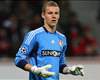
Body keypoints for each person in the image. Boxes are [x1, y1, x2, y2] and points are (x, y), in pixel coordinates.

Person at [15, 1, 84, 80]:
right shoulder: (34, 35)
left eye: (56, 13)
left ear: (59, 16)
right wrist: (34, 69)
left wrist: (69, 70)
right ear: (43, 15)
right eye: (50, 13)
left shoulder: (62, 38)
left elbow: (60, 65)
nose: (53, 16)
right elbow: (18, 59)